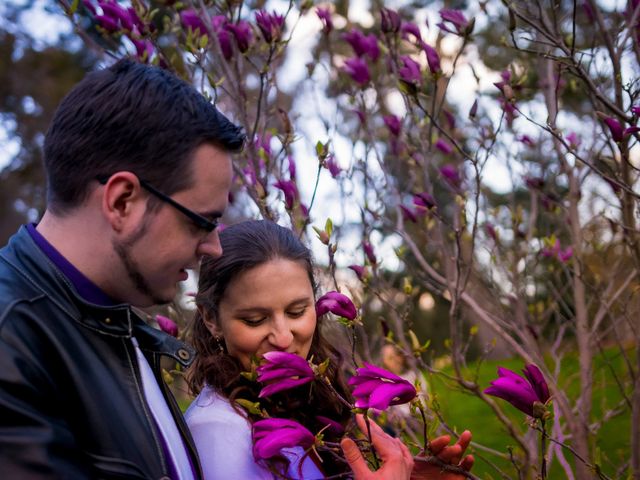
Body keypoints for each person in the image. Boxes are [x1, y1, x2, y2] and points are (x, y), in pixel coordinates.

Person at [0, 58, 244, 478]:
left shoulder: (109, 320)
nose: (214, 247)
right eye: (201, 221)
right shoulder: (13, 347)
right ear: (122, 202)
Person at [186, 220, 474, 479]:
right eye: (255, 320)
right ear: (211, 319)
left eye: (297, 312)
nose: (284, 338)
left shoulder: (295, 401)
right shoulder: (218, 433)